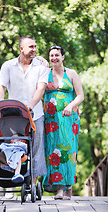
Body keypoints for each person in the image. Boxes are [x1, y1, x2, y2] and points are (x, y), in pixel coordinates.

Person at [0, 35, 49, 186]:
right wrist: (1, 104)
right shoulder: (8, 65)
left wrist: (31, 105)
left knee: (36, 149)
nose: (35, 49)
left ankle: (32, 183)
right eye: (31, 46)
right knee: (10, 146)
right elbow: (0, 86)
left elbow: (41, 89)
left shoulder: (41, 66)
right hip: (13, 115)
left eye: (35, 46)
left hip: (35, 114)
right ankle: (10, 181)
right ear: (21, 49)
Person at [43, 45, 84, 200]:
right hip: (51, 120)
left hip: (69, 118)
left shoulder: (71, 73)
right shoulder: (45, 74)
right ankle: (59, 189)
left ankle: (68, 188)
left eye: (57, 55)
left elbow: (80, 95)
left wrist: (70, 105)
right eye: (51, 55)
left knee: (69, 151)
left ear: (63, 57)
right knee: (53, 151)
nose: (54, 58)